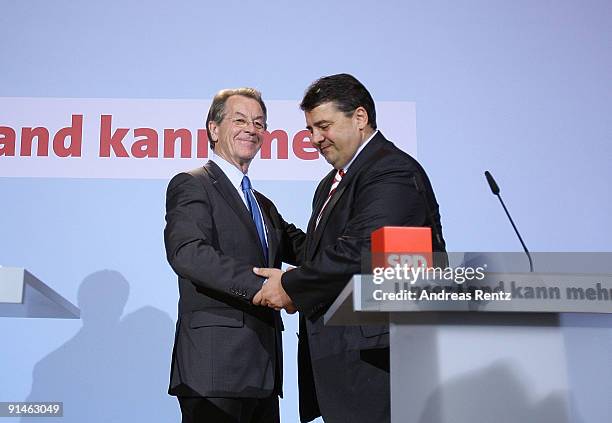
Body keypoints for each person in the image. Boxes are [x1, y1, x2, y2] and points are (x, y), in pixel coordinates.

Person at [253, 73, 446, 423]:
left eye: (323, 125)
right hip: (348, 361)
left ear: (360, 118)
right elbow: (321, 250)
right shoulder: (332, 182)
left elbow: (361, 250)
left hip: (382, 361)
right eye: (310, 129)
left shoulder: (391, 170)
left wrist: (290, 285)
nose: (315, 138)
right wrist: (263, 218)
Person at [164, 88, 305, 423]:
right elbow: (188, 253)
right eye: (240, 120)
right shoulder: (192, 183)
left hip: (263, 374)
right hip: (214, 371)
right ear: (214, 129)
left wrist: (361, 240)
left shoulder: (262, 204)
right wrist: (264, 288)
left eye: (259, 122)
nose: (251, 128)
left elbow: (306, 248)